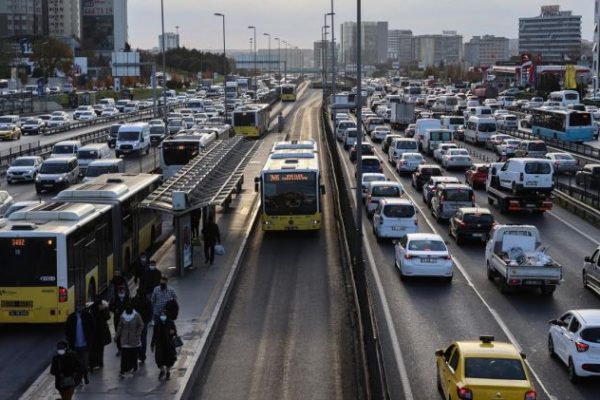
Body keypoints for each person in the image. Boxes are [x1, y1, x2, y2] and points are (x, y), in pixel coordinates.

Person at [65, 305, 94, 385]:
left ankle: (85, 376)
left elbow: (92, 329)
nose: (80, 308)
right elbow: (67, 331)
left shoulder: (87, 316)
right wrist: (69, 342)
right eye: (78, 307)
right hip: (75, 346)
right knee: (77, 365)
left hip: (85, 345)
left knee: (84, 364)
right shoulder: (71, 318)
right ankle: (79, 379)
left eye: (81, 306)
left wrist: (90, 341)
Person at [114, 301, 144, 378]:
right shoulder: (122, 316)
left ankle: (134, 366)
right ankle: (122, 370)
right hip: (124, 340)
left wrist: (137, 334)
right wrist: (116, 336)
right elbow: (120, 327)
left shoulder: (136, 316)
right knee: (124, 356)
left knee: (133, 355)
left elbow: (141, 325)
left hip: (134, 340)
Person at [151, 310, 177, 380]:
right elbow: (154, 334)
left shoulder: (170, 322)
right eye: (161, 315)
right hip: (160, 345)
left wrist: (172, 332)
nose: (163, 316)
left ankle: (168, 372)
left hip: (168, 344)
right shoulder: (157, 323)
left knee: (169, 359)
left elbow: (175, 332)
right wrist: (152, 344)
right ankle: (162, 370)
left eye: (164, 315)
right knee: (159, 359)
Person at [89, 296, 111, 370]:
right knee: (96, 348)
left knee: (99, 348)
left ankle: (99, 362)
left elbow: (107, 317)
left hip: (100, 331)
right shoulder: (92, 308)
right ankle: (95, 363)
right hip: (96, 331)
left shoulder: (103, 307)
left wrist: (103, 309)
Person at [132, 291, 153, 363]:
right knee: (143, 340)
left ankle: (138, 355)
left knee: (136, 339)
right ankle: (142, 356)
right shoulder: (147, 301)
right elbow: (150, 312)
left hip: (136, 323)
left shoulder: (134, 300)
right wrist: (147, 320)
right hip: (144, 323)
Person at [109, 285, 129, 356]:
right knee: (118, 334)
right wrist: (115, 310)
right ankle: (120, 349)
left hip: (126, 319)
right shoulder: (114, 298)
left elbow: (132, 306)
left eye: (123, 290)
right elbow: (110, 306)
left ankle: (125, 349)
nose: (122, 292)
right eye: (120, 290)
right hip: (117, 319)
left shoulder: (127, 298)